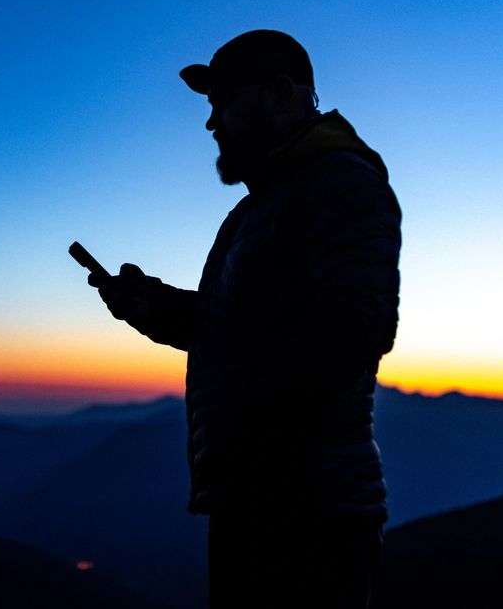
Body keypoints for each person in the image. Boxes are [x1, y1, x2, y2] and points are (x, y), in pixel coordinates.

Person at [87, 30, 401, 608]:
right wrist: (149, 304)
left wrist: (257, 415)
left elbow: (356, 328)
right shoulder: (263, 207)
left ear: (281, 95)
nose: (212, 124)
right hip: (260, 500)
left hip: (305, 511)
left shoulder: (341, 182)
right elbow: (229, 327)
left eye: (223, 103)